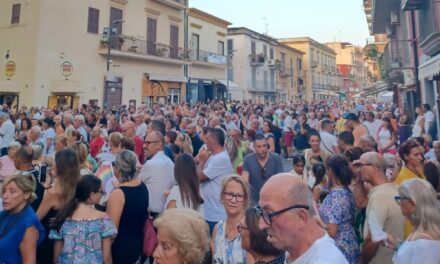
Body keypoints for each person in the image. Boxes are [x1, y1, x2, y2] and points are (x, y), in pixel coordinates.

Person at [257, 173, 348, 263]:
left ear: (301, 217)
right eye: (261, 212)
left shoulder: (323, 260)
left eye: (269, 214)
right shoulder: (294, 246)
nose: (261, 225)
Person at [50, 175, 117, 263]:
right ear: (92, 195)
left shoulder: (62, 217)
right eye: (101, 192)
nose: (102, 195)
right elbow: (106, 257)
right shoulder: (103, 219)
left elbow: (56, 258)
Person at [352, 152, 404, 264]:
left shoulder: (379, 197)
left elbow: (373, 239)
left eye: (361, 165)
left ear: (374, 167)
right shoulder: (394, 188)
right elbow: (360, 203)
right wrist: (358, 178)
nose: (359, 169)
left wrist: (361, 262)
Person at [36, 148, 81, 264]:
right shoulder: (80, 189)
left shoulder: (53, 194)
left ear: (59, 166)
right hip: (74, 242)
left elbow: (36, 219)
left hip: (50, 244)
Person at [107, 150, 149, 264]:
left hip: (121, 249)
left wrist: (104, 254)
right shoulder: (142, 186)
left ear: (119, 169)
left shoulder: (118, 194)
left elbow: (111, 232)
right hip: (137, 244)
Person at [385, 179, 440, 263]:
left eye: (400, 198)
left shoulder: (424, 244)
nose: (399, 203)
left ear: (412, 203)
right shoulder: (423, 235)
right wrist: (398, 247)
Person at [319, 155, 360, 263]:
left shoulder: (334, 197)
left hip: (339, 247)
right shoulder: (347, 191)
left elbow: (332, 231)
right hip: (351, 243)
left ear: (330, 171)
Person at [0, 173, 45, 264]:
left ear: (26, 195)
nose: (5, 196)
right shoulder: (5, 214)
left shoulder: (29, 226)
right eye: (4, 191)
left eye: (12, 192)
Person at [197, 128, 233, 233]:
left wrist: (202, 162)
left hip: (216, 213)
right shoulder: (215, 156)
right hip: (210, 209)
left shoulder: (220, 158)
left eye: (207, 138)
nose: (205, 141)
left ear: (214, 140)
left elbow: (200, 178)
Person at [212, 176, 250, 264]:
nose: (233, 200)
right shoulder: (217, 229)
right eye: (229, 194)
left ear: (245, 200)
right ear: (222, 196)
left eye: (239, 196)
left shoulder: (249, 229)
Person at [139, 131, 175, 217]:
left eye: (148, 143)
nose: (144, 146)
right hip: (166, 214)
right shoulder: (170, 162)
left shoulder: (151, 163)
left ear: (159, 145)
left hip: (153, 216)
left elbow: (137, 184)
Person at [242, 135, 283, 205]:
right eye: (259, 146)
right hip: (254, 202)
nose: (263, 149)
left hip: (273, 201)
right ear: (254, 147)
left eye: (264, 146)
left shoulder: (276, 158)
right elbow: (244, 181)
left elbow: (281, 181)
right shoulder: (248, 159)